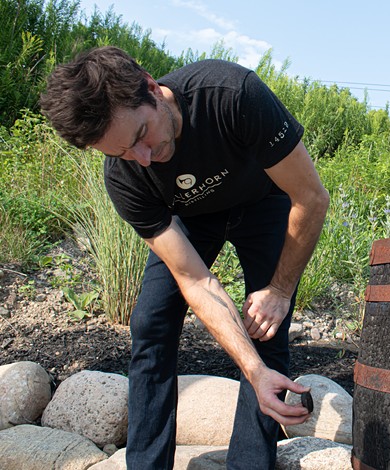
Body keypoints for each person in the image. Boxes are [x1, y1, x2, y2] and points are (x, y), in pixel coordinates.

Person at [40, 46, 330, 469]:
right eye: (119, 152)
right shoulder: (126, 176)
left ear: (152, 88)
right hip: (190, 216)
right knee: (151, 322)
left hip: (263, 199)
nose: (141, 157)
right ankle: (146, 463)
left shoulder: (230, 94)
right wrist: (249, 368)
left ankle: (250, 463)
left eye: (140, 136)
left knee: (267, 324)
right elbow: (195, 280)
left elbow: (310, 197)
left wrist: (281, 290)